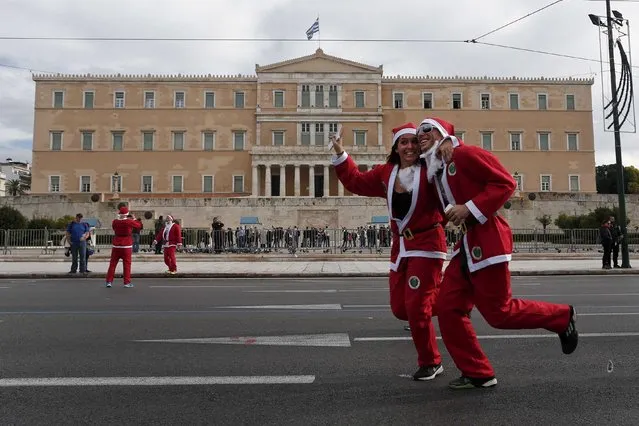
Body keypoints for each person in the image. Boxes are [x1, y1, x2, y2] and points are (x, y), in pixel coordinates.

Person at [418, 117, 578, 390]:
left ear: (442, 133)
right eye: (417, 132)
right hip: (468, 244)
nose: (420, 135)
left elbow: (505, 183)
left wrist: (468, 207)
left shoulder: (465, 154)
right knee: (447, 307)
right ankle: (478, 372)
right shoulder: (438, 168)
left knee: (499, 314)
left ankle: (562, 317)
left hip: (489, 239)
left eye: (426, 130)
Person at [330, 123, 454, 381]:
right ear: (396, 147)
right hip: (401, 247)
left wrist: (446, 142)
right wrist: (341, 152)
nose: (409, 146)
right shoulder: (387, 172)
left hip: (428, 245)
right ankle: (456, 299)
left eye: (413, 141)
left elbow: (455, 175)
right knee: (400, 308)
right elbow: (355, 181)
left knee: (418, 309)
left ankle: (431, 362)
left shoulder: (430, 169)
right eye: (403, 142)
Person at [105, 206, 142, 288]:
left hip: (116, 244)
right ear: (127, 214)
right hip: (126, 245)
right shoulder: (129, 221)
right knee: (127, 265)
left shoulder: (115, 221)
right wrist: (134, 219)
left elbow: (114, 228)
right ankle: (126, 282)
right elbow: (139, 226)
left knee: (112, 264)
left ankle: (109, 281)